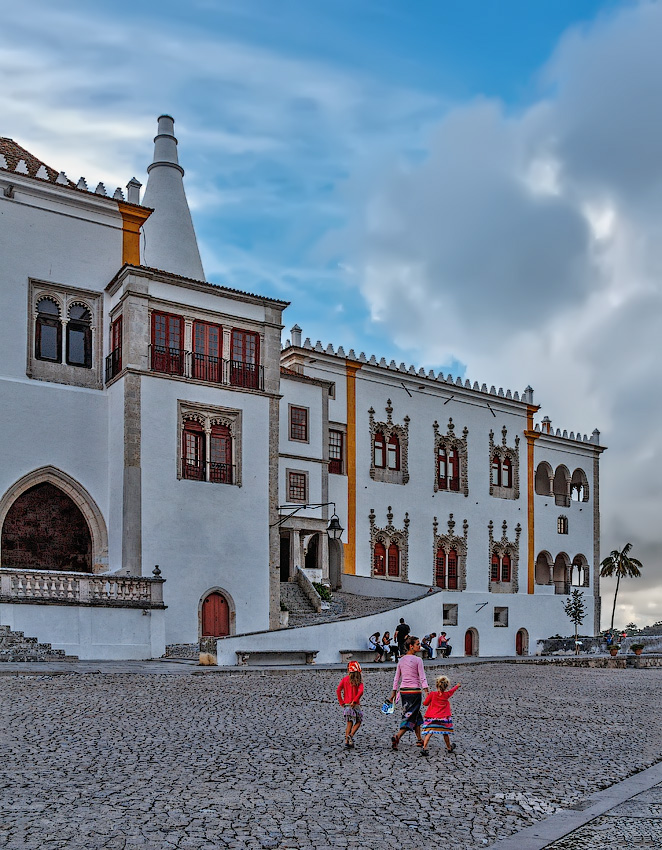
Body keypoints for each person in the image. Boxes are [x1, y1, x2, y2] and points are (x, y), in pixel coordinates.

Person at [388, 635, 429, 750]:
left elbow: (396, 678)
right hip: (415, 692)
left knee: (415, 714)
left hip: (404, 692)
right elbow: (422, 677)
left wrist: (393, 693)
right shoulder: (418, 660)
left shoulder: (401, 660)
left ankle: (419, 739)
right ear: (411, 646)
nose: (419, 646)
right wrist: (427, 692)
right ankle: (397, 736)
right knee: (410, 715)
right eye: (417, 644)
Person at [420, 675, 461, 756]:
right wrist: (457, 686)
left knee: (429, 733)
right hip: (443, 719)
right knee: (445, 733)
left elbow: (425, 703)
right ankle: (449, 748)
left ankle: (424, 748)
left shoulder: (432, 694)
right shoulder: (446, 695)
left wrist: (427, 695)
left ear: (437, 685)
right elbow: (452, 691)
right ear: (446, 687)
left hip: (432, 718)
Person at [336, 661, 364, 748]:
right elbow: (361, 691)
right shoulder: (358, 681)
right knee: (359, 721)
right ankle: (351, 735)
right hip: (355, 705)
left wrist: (341, 702)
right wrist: (355, 700)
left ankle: (347, 741)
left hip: (347, 705)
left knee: (349, 722)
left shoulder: (344, 679)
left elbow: (338, 690)